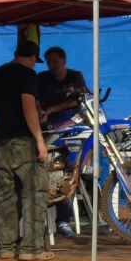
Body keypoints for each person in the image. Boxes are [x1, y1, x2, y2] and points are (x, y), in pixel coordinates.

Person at [0, 40, 52, 261]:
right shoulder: (28, 75)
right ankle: (31, 249)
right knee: (34, 194)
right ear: (33, 57)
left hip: (2, 143)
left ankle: (6, 247)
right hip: (23, 141)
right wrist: (39, 140)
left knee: (7, 196)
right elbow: (28, 107)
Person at [36, 46, 86, 237]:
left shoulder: (76, 76)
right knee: (57, 173)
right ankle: (58, 220)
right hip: (50, 130)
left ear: (64, 60)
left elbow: (80, 100)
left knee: (73, 170)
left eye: (55, 61)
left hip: (74, 130)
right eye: (49, 63)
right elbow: (32, 100)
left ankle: (66, 219)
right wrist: (43, 111)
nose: (52, 66)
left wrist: (52, 108)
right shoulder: (41, 79)